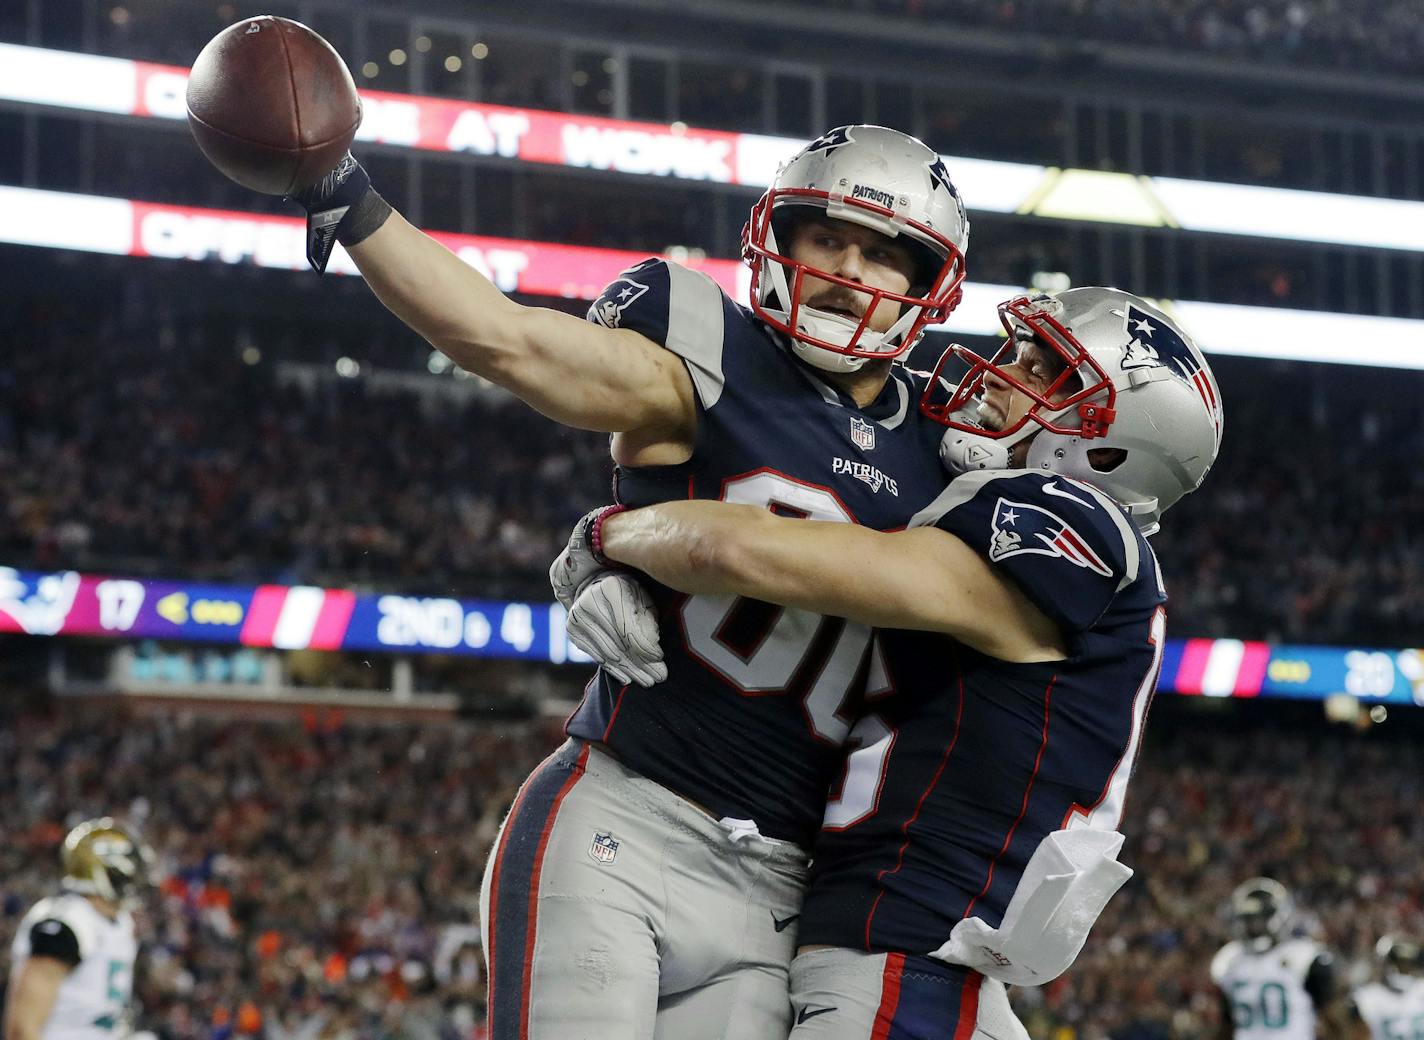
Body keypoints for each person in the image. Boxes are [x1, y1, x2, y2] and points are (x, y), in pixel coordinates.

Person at [205, 109, 970, 1039]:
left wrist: (616, 535)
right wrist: (349, 198)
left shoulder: (953, 450)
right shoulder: (707, 357)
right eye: (827, 237)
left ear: (927, 284)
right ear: (778, 236)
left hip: (786, 885)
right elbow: (510, 341)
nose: (849, 274)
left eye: (884, 254)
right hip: (628, 821)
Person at [553, 287, 1223, 1037]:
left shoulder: (1076, 521)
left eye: (1045, 371)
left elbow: (756, 550)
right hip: (915, 959)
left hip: (907, 960)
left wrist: (615, 531)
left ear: (1108, 445)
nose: (1003, 374)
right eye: (1021, 353)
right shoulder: (1030, 533)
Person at [3, 819, 152, 1040]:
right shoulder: (67, 923)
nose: (135, 879)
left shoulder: (120, 920)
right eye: (129, 870)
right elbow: (22, 1027)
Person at [1210, 878, 1338, 1040]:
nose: (1254, 925)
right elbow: (1226, 1022)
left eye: (1259, 919)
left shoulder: (1304, 957)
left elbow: (1331, 1017)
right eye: (1250, 919)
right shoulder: (1230, 960)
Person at [1348, 936, 1424, 1040]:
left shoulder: (1420, 990)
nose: (1402, 971)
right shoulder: (1369, 997)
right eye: (1399, 964)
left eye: (1407, 965)